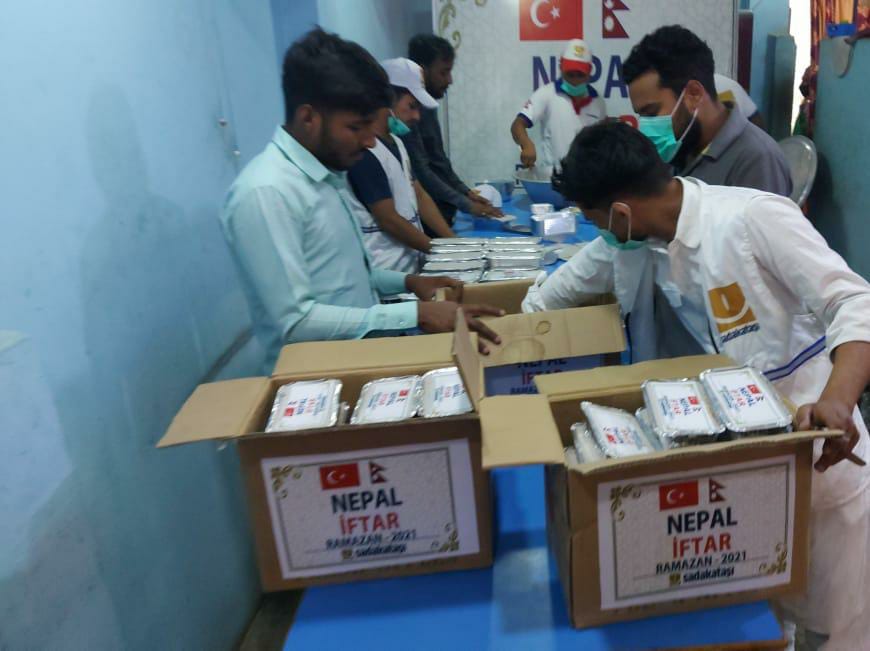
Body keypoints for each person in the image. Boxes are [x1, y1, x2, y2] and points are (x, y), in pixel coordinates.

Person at [523, 122, 870, 649]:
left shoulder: (751, 220)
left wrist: (838, 399)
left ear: (620, 210)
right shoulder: (630, 245)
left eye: (594, 219)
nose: (598, 233)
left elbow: (853, 300)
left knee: (836, 622)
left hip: (816, 445)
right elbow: (550, 298)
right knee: (760, 619)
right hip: (737, 467)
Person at [220, 29, 502, 368]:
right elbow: (295, 323)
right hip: (310, 378)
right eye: (356, 127)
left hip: (356, 359)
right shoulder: (267, 193)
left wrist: (409, 282)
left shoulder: (328, 177)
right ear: (308, 117)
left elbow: (349, 279)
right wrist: (415, 314)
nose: (369, 142)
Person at [622, 25, 792, 197]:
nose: (646, 128)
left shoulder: (757, 160)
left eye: (652, 113)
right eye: (641, 116)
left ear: (694, 94)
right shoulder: (681, 148)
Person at [347, 58, 456, 274]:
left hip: (409, 265)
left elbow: (419, 195)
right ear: (387, 98)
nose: (416, 116)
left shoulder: (397, 143)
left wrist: (453, 242)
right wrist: (438, 249)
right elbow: (388, 219)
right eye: (411, 106)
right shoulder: (366, 153)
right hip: (388, 270)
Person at [403, 34, 503, 228]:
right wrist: (466, 204)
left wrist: (466, 192)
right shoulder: (408, 116)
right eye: (444, 72)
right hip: (426, 219)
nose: (450, 80)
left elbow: (439, 161)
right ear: (422, 71)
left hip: (441, 212)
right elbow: (422, 173)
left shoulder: (428, 107)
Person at [511, 39, 607, 170]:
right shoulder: (546, 94)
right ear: (561, 67)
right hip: (553, 176)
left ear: (590, 72)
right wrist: (526, 143)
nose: (574, 80)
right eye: (570, 74)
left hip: (587, 177)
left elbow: (603, 140)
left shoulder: (598, 102)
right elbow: (518, 124)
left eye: (580, 74)